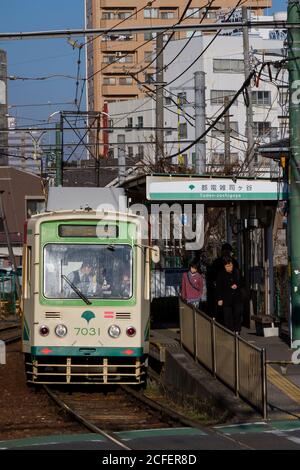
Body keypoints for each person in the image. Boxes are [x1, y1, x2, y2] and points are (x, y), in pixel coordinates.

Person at [215, 256, 242, 333]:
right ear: (224, 266)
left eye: (230, 265)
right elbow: (219, 287)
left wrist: (237, 285)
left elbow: (242, 282)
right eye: (227, 266)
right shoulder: (221, 274)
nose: (229, 267)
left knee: (237, 313)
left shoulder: (237, 272)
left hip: (237, 296)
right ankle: (229, 330)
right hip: (226, 297)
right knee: (227, 315)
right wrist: (220, 299)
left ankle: (237, 330)